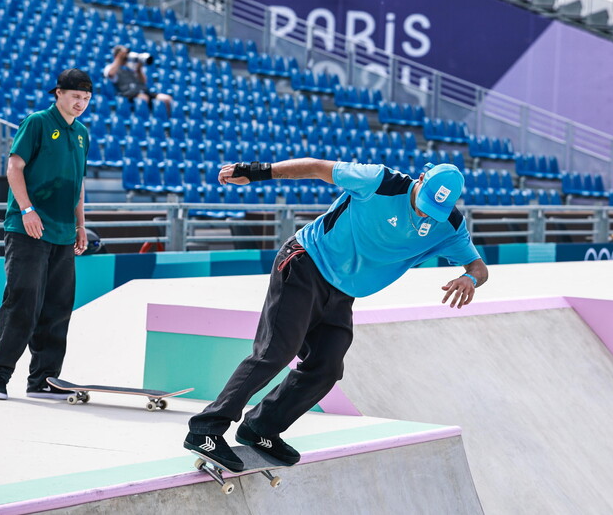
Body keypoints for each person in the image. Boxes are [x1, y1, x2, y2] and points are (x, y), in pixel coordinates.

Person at [184, 158, 489, 471]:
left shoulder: (449, 225)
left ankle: (260, 428)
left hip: (342, 293)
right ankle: (206, 429)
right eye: (423, 203)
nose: (425, 213)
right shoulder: (380, 181)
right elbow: (316, 167)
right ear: (420, 179)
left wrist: (470, 278)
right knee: (274, 353)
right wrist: (255, 172)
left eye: (433, 211)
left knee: (326, 368)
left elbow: (479, 268)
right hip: (306, 262)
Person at [0, 68, 93, 401]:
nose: (81, 104)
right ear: (58, 93)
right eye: (76, 96)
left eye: (86, 99)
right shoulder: (36, 122)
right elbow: (14, 167)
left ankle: (44, 379)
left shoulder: (82, 134)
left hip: (62, 230)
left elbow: (79, 183)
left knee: (58, 307)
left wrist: (80, 224)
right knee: (23, 299)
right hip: (28, 227)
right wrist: (27, 209)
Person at [104, 45, 172, 113]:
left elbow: (143, 81)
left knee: (167, 99)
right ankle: (147, 120)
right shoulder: (110, 67)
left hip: (143, 91)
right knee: (144, 98)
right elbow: (111, 74)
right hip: (129, 94)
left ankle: (167, 120)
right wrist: (119, 58)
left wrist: (139, 69)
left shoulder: (131, 66)